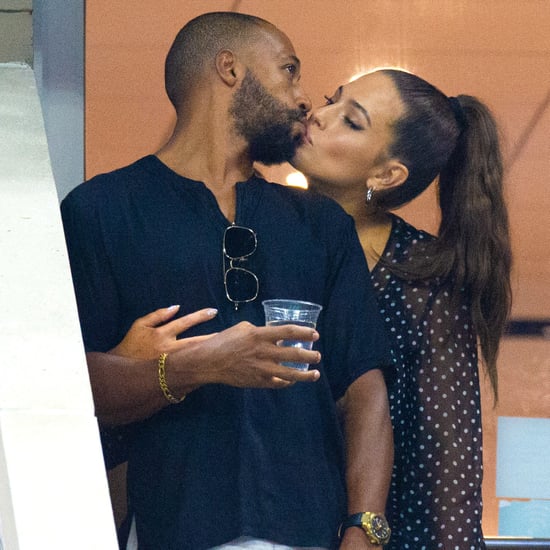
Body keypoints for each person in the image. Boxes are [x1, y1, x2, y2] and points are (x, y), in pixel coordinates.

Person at [61, 12, 394, 550]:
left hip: (309, 531)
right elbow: (70, 387)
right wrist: (195, 366)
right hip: (175, 527)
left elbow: (363, 387)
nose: (304, 97)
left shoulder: (321, 223)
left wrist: (364, 530)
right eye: (288, 70)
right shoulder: (101, 210)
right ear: (230, 69)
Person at [290, 69, 513, 549]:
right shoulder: (262, 232)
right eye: (332, 99)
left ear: (386, 175)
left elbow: (447, 470)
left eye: (350, 121)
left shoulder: (424, 277)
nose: (319, 115)